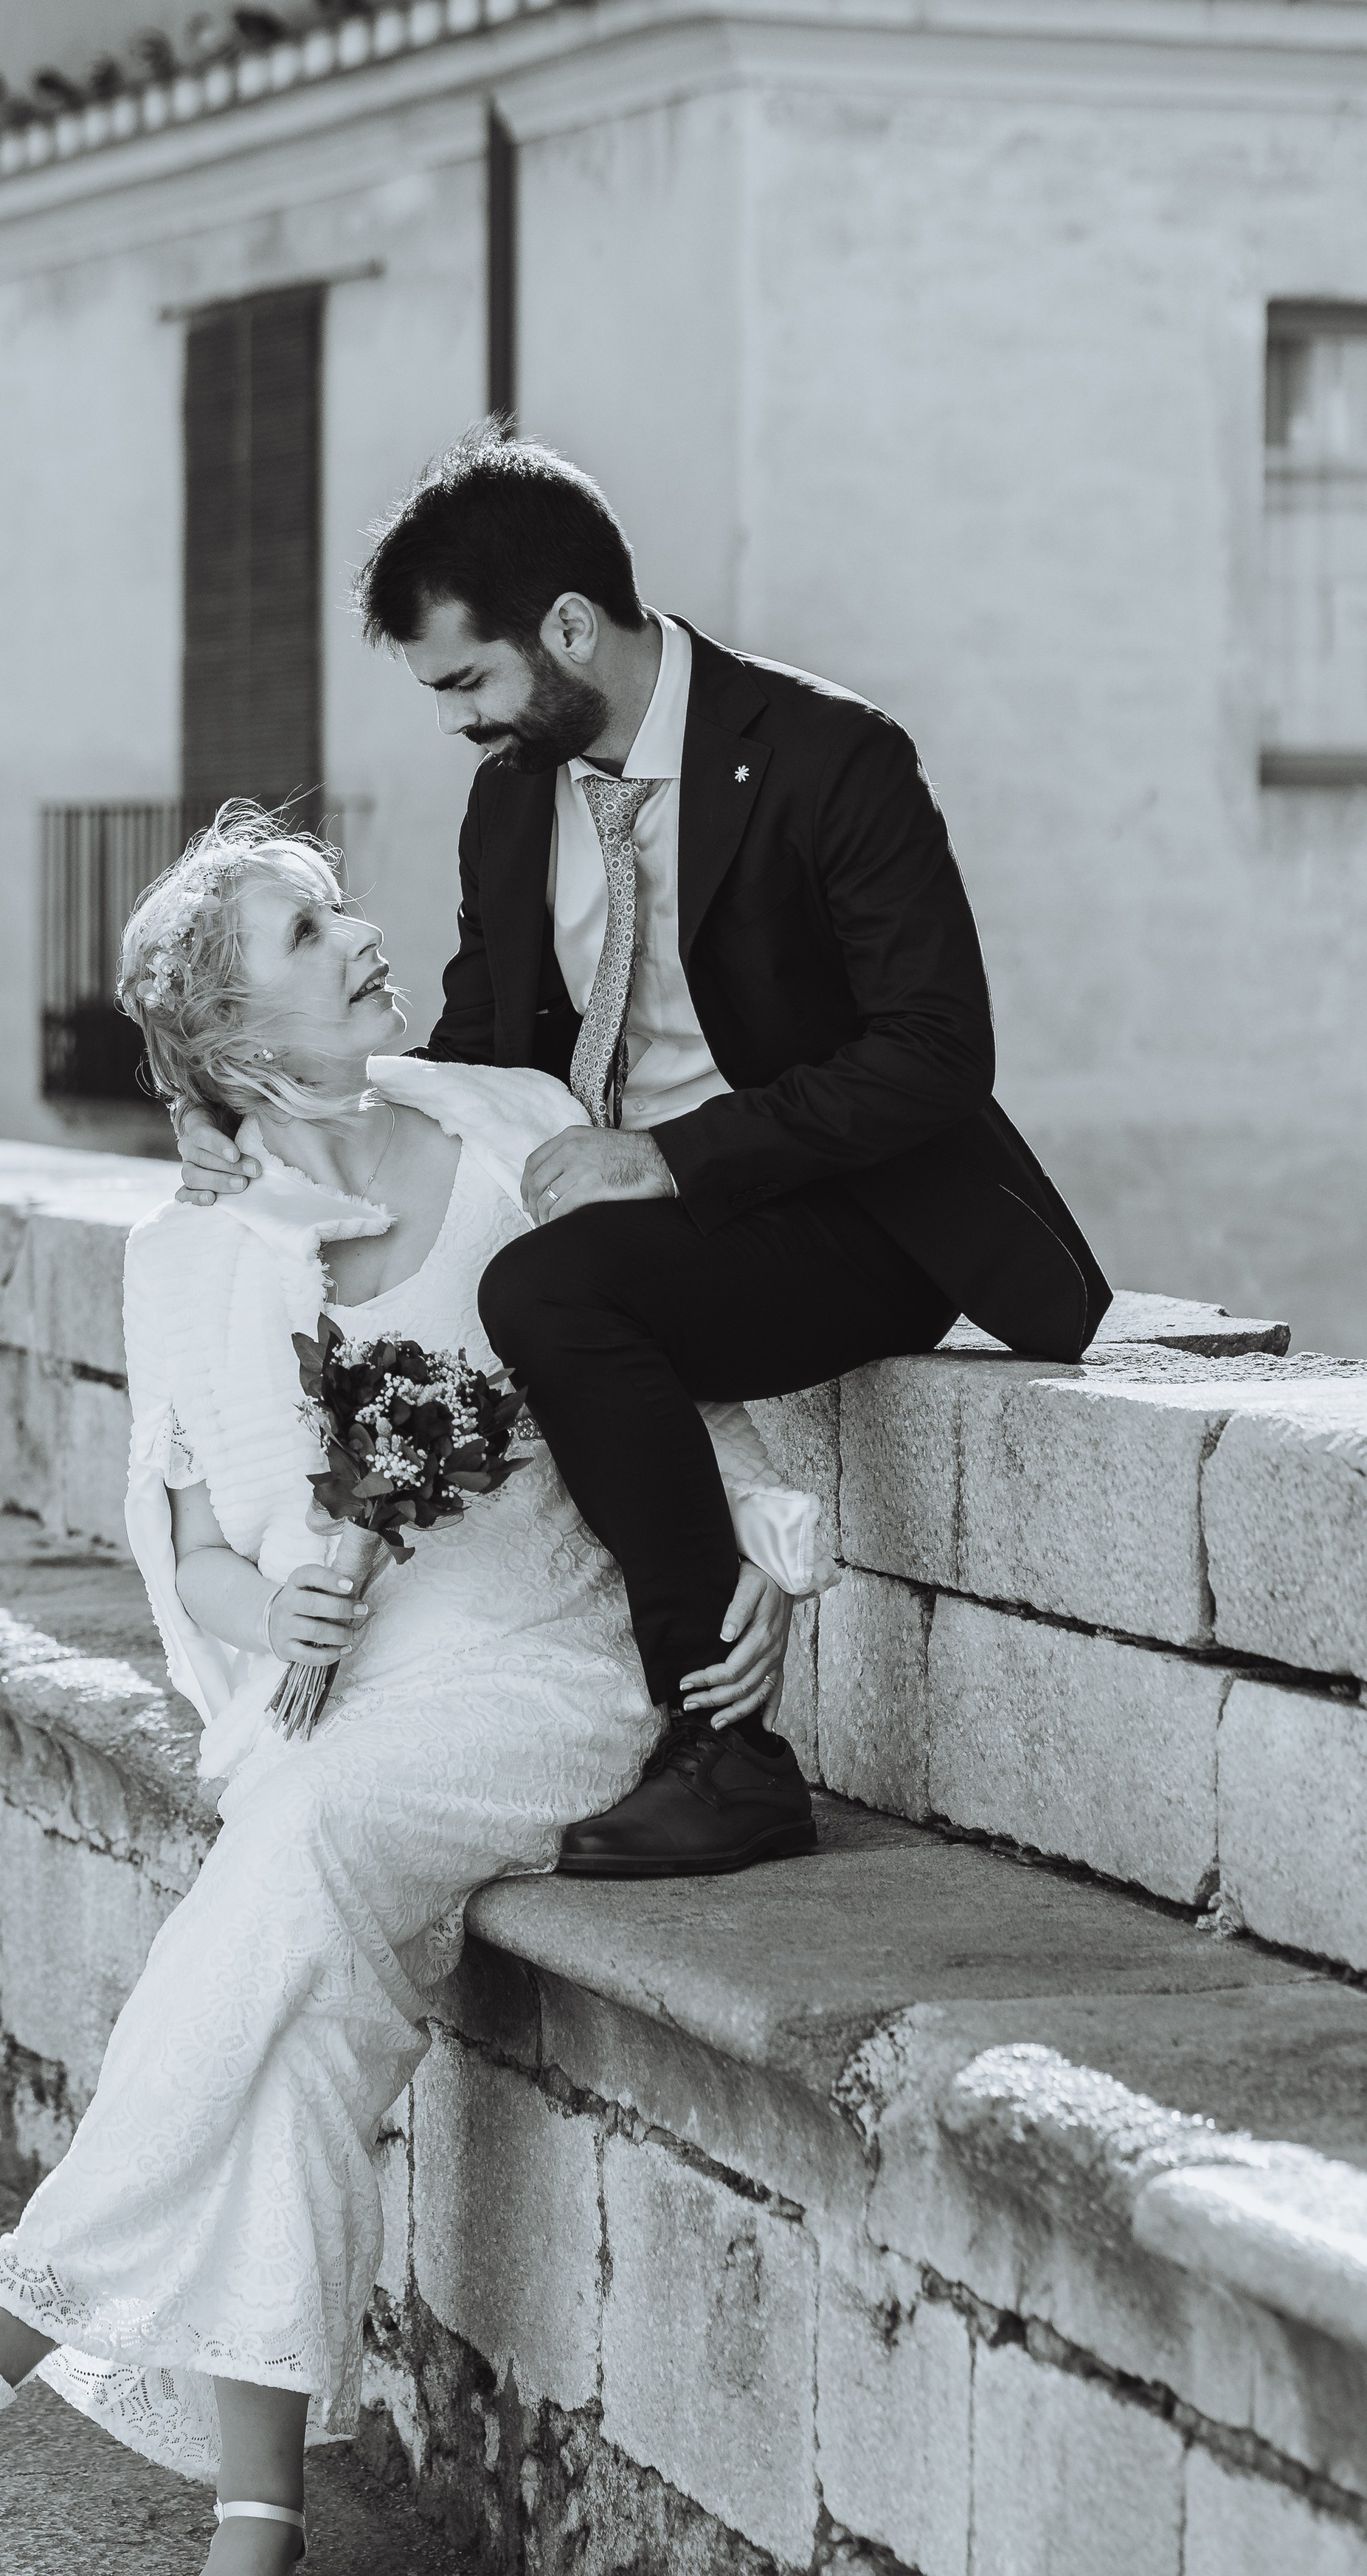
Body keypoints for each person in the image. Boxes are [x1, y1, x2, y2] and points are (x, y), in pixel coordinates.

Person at [0, 807, 832, 2576]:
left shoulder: (504, 1125)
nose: (364, 936)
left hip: (553, 1663)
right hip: (340, 1706)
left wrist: (770, 1561)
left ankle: (42, 2278)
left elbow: (694, 1364)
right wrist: (282, 1615)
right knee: (305, 2011)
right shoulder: (190, 1258)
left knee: (299, 1845)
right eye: (309, 933)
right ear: (235, 1040)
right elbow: (192, 1555)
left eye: (337, 909)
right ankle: (254, 2521)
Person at [177, 427, 1110, 1878]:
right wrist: (261, 1125)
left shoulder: (831, 756)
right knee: (491, 1281)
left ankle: (725, 1755)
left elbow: (934, 1053)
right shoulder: (513, 797)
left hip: (850, 1217)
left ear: (567, 629)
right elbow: (481, 1049)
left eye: (466, 683)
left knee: (547, 1291)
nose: (457, 721)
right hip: (624, 1234)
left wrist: (676, 1159)